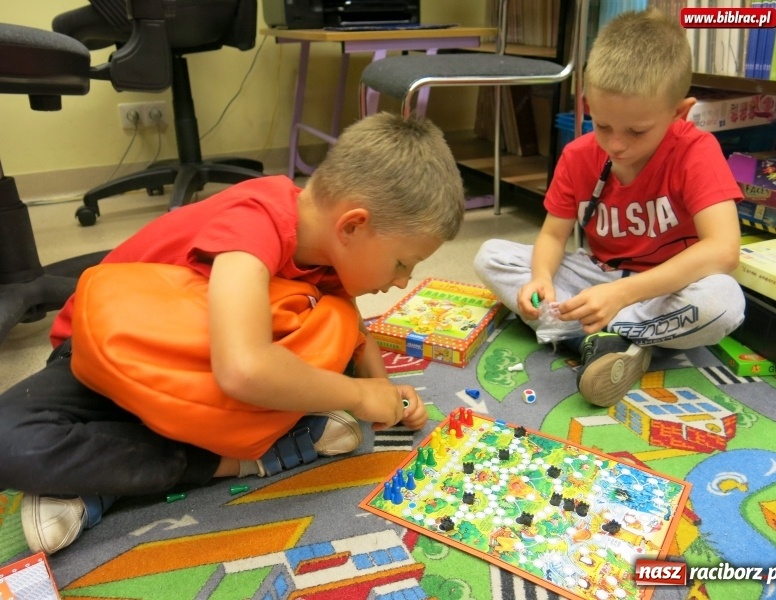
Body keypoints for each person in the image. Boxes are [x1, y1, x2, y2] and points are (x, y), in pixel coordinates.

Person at [0, 112, 465, 556]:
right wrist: (360, 396)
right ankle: (235, 460)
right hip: (108, 359)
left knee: (332, 333)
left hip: (204, 365)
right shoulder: (256, 221)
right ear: (352, 225)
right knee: (9, 440)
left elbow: (351, 320)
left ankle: (110, 470)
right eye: (402, 263)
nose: (402, 281)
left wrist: (383, 386)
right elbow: (243, 369)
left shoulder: (330, 246)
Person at [474, 8, 744, 408]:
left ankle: (589, 334)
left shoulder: (696, 151)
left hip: (666, 288)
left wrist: (622, 294)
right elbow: (552, 236)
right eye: (602, 125)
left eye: (636, 131)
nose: (616, 144)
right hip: (597, 277)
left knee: (723, 303)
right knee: (491, 255)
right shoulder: (577, 156)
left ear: (678, 112)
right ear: (588, 105)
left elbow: (724, 250)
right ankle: (618, 337)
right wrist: (541, 278)